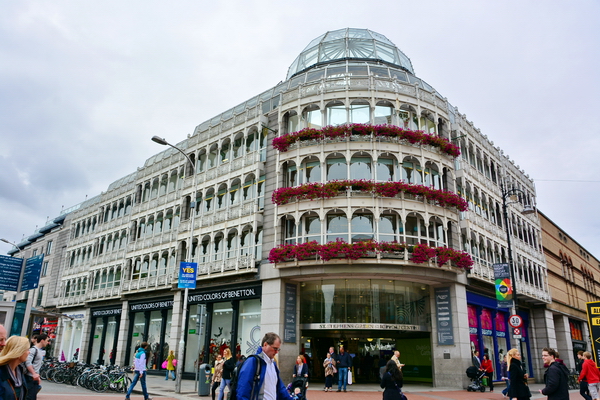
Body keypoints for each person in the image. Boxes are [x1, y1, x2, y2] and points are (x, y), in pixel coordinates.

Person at [235, 332, 292, 400]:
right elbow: (243, 389)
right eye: (275, 348)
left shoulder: (273, 364)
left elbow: (281, 389)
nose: (276, 352)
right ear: (265, 344)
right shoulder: (253, 361)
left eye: (278, 349)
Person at [25, 333, 48, 400]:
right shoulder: (33, 350)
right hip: (30, 377)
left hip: (33, 377)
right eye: (47, 340)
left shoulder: (39, 351)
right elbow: (28, 362)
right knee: (30, 397)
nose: (47, 342)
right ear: (42, 340)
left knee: (32, 396)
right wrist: (34, 373)